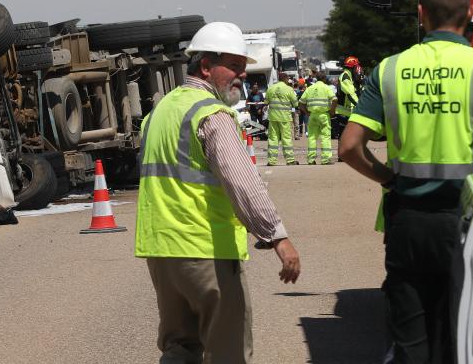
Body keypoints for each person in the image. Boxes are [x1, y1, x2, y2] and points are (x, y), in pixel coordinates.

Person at [339, 0, 473, 364]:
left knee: (411, 339)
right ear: (471, 14)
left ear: (421, 14)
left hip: (408, 221)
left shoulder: (391, 70)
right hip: (471, 224)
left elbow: (349, 147)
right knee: (465, 334)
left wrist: (387, 177)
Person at [135, 21, 301, 364]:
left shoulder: (159, 112)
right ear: (207, 66)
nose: (241, 76)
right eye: (234, 67)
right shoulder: (212, 115)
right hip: (205, 249)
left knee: (179, 348)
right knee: (228, 351)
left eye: (243, 68)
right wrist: (277, 237)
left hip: (161, 252)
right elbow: (242, 183)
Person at [299, 72, 337, 165]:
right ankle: (325, 159)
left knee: (312, 137)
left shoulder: (310, 88)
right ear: (324, 79)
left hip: (312, 116)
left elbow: (301, 103)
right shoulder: (326, 88)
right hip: (324, 115)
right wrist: (332, 111)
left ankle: (311, 160)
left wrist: (307, 112)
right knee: (325, 137)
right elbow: (335, 99)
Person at [265, 76, 299, 165]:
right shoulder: (289, 89)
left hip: (273, 118)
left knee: (273, 139)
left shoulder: (271, 88)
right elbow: (295, 104)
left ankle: (271, 161)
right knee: (286, 138)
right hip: (285, 118)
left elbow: (266, 102)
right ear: (286, 79)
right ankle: (290, 160)